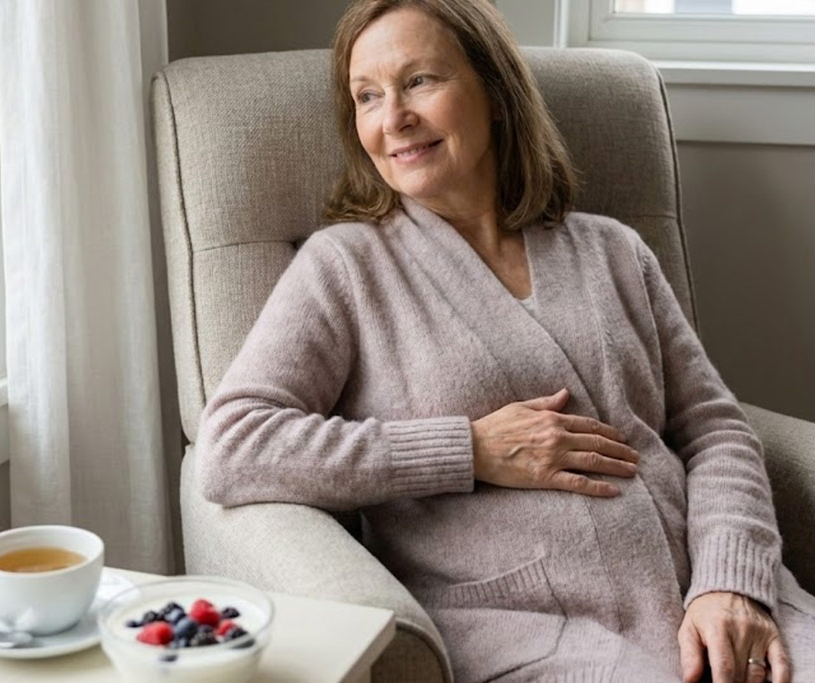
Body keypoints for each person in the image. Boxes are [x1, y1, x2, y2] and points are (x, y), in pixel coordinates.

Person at [195, 1, 815, 681]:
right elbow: (235, 446)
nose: (392, 117)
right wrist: (470, 448)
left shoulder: (614, 251)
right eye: (367, 96)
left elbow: (713, 428)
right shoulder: (345, 267)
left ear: (493, 90)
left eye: (420, 81)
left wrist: (731, 579)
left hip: (710, 596)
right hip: (536, 629)